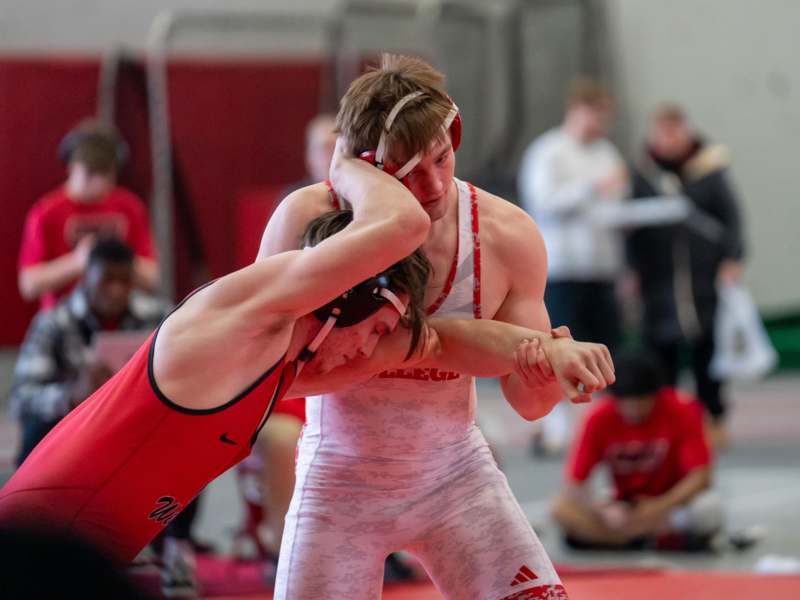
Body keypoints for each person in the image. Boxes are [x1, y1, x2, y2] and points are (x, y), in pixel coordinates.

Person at [0, 139, 610, 589]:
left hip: (86, 557)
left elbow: (441, 344)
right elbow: (400, 224)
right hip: (33, 553)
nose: (369, 357)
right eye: (370, 335)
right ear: (336, 303)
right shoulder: (235, 319)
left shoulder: (289, 367)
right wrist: (346, 162)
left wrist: (553, 351)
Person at [260, 54, 614, 600]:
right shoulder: (311, 222)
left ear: (455, 134)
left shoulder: (504, 233)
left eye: (442, 158)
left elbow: (529, 404)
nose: (431, 185)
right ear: (362, 167)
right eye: (405, 171)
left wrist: (543, 372)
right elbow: (266, 374)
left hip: (454, 476)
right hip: (339, 479)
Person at [517, 78, 628, 456]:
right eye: (595, 115)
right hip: (562, 268)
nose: (600, 125)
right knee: (561, 348)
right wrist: (590, 189)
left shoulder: (607, 153)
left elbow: (617, 203)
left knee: (604, 348)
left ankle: (605, 426)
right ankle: (556, 429)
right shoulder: (548, 152)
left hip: (601, 266)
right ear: (576, 111)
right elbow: (541, 202)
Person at [628, 104, 746, 447]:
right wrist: (633, 267)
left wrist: (732, 258)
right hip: (659, 281)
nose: (668, 140)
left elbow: (732, 219)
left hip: (700, 279)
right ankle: (667, 421)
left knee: (706, 352)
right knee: (660, 353)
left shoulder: (709, 171)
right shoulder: (644, 175)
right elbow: (632, 227)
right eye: (661, 134)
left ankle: (714, 417)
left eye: (674, 133)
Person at [9, 238, 168, 466]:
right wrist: (71, 396)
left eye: (125, 281)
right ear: (85, 279)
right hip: (76, 428)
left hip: (138, 420)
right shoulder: (54, 322)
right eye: (107, 280)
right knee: (37, 430)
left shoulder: (158, 317)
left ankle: (171, 503)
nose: (116, 290)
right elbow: (22, 398)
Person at [551, 350, 723, 551]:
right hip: (626, 505)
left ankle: (625, 538)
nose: (633, 411)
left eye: (641, 403)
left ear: (656, 395)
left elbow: (701, 477)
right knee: (561, 509)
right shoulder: (599, 417)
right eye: (626, 403)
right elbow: (575, 483)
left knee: (708, 510)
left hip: (671, 502)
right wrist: (605, 509)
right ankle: (645, 538)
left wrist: (659, 506)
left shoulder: (683, 409)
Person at [18, 119, 159, 310]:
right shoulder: (46, 212)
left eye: (106, 174)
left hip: (121, 317)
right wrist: (79, 261)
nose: (99, 184)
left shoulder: (129, 207)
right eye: (90, 174)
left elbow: (153, 277)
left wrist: (119, 260)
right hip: (65, 319)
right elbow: (29, 285)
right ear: (71, 166)